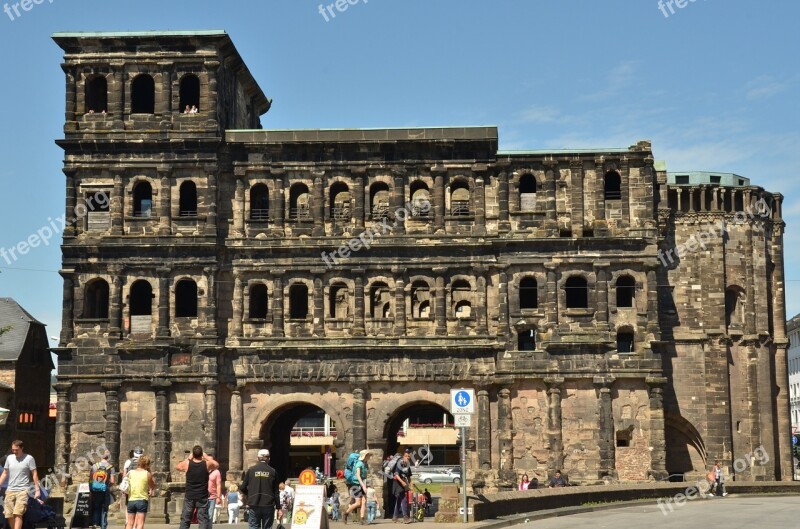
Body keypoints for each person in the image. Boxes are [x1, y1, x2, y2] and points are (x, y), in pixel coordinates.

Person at [176, 445, 219, 529]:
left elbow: (178, 466)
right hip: (202, 496)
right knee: (203, 519)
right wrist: (207, 457)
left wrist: (188, 458)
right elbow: (216, 465)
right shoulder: (206, 464)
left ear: (193, 454)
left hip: (190, 495)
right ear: (201, 454)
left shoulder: (188, 464)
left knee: (186, 518)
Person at [0, 440, 41, 529]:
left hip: (23, 490)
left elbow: (34, 474)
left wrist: (37, 490)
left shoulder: (29, 458)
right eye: (13, 450)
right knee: (9, 514)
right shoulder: (9, 458)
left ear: (22, 448)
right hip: (10, 490)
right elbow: (5, 473)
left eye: (16, 450)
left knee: (18, 513)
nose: (14, 452)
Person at [240, 449, 282, 529]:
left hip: (254, 503)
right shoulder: (273, 471)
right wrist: (278, 507)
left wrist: (249, 495)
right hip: (268, 504)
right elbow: (276, 492)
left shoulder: (251, 470)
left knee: (254, 526)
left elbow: (242, 487)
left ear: (257, 458)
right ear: (269, 459)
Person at [124, 456, 155, 529]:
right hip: (142, 500)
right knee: (140, 524)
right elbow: (152, 485)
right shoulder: (147, 474)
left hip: (131, 500)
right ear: (147, 465)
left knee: (129, 523)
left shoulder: (130, 473)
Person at [89, 452, 115, 529]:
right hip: (105, 489)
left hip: (95, 490)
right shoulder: (110, 467)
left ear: (100, 457)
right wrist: (107, 486)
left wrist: (91, 488)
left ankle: (95, 523)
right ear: (108, 457)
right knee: (104, 507)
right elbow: (113, 481)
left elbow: (90, 479)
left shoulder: (95, 466)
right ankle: (103, 524)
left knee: (96, 507)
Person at [344, 450, 370, 524]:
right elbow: (358, 476)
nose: (369, 457)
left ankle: (362, 519)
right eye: (368, 455)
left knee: (364, 501)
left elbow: (365, 475)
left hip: (362, 483)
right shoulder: (359, 464)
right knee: (358, 503)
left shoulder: (365, 464)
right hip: (356, 484)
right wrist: (363, 486)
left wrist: (366, 484)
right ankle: (346, 513)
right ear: (365, 455)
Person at [391, 449, 413, 523]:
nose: (407, 458)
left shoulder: (408, 465)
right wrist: (402, 482)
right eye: (406, 456)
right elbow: (396, 475)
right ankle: (405, 517)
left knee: (399, 500)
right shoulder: (399, 463)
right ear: (404, 456)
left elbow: (409, 476)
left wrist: (411, 485)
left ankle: (394, 517)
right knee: (404, 499)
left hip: (403, 483)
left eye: (409, 457)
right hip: (397, 484)